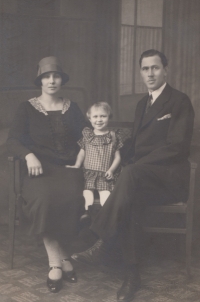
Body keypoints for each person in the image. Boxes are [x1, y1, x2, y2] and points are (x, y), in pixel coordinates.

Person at [71, 49, 195, 302]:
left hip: (169, 178)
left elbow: (177, 147)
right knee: (130, 198)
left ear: (165, 70)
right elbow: (134, 145)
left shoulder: (180, 101)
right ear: (141, 72)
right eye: (145, 69)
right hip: (140, 179)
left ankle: (97, 234)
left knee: (130, 177)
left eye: (155, 68)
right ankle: (132, 275)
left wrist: (133, 167)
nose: (150, 73)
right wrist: (115, 160)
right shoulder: (142, 104)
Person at [7, 56, 86, 293]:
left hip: (69, 168)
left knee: (73, 197)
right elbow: (12, 140)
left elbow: (87, 136)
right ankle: (57, 262)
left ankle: (62, 259)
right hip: (39, 170)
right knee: (45, 199)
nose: (52, 81)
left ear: (62, 80)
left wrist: (81, 160)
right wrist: (29, 155)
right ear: (40, 80)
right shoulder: (27, 108)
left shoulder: (73, 108)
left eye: (56, 76)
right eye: (46, 76)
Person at [66, 102, 123, 222]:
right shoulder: (88, 135)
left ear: (109, 117)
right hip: (89, 173)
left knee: (105, 194)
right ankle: (87, 212)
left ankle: (104, 216)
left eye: (103, 116)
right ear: (89, 118)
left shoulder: (113, 136)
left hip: (105, 173)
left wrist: (111, 170)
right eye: (95, 116)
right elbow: (82, 152)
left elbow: (117, 157)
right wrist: (77, 165)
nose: (99, 120)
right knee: (87, 191)